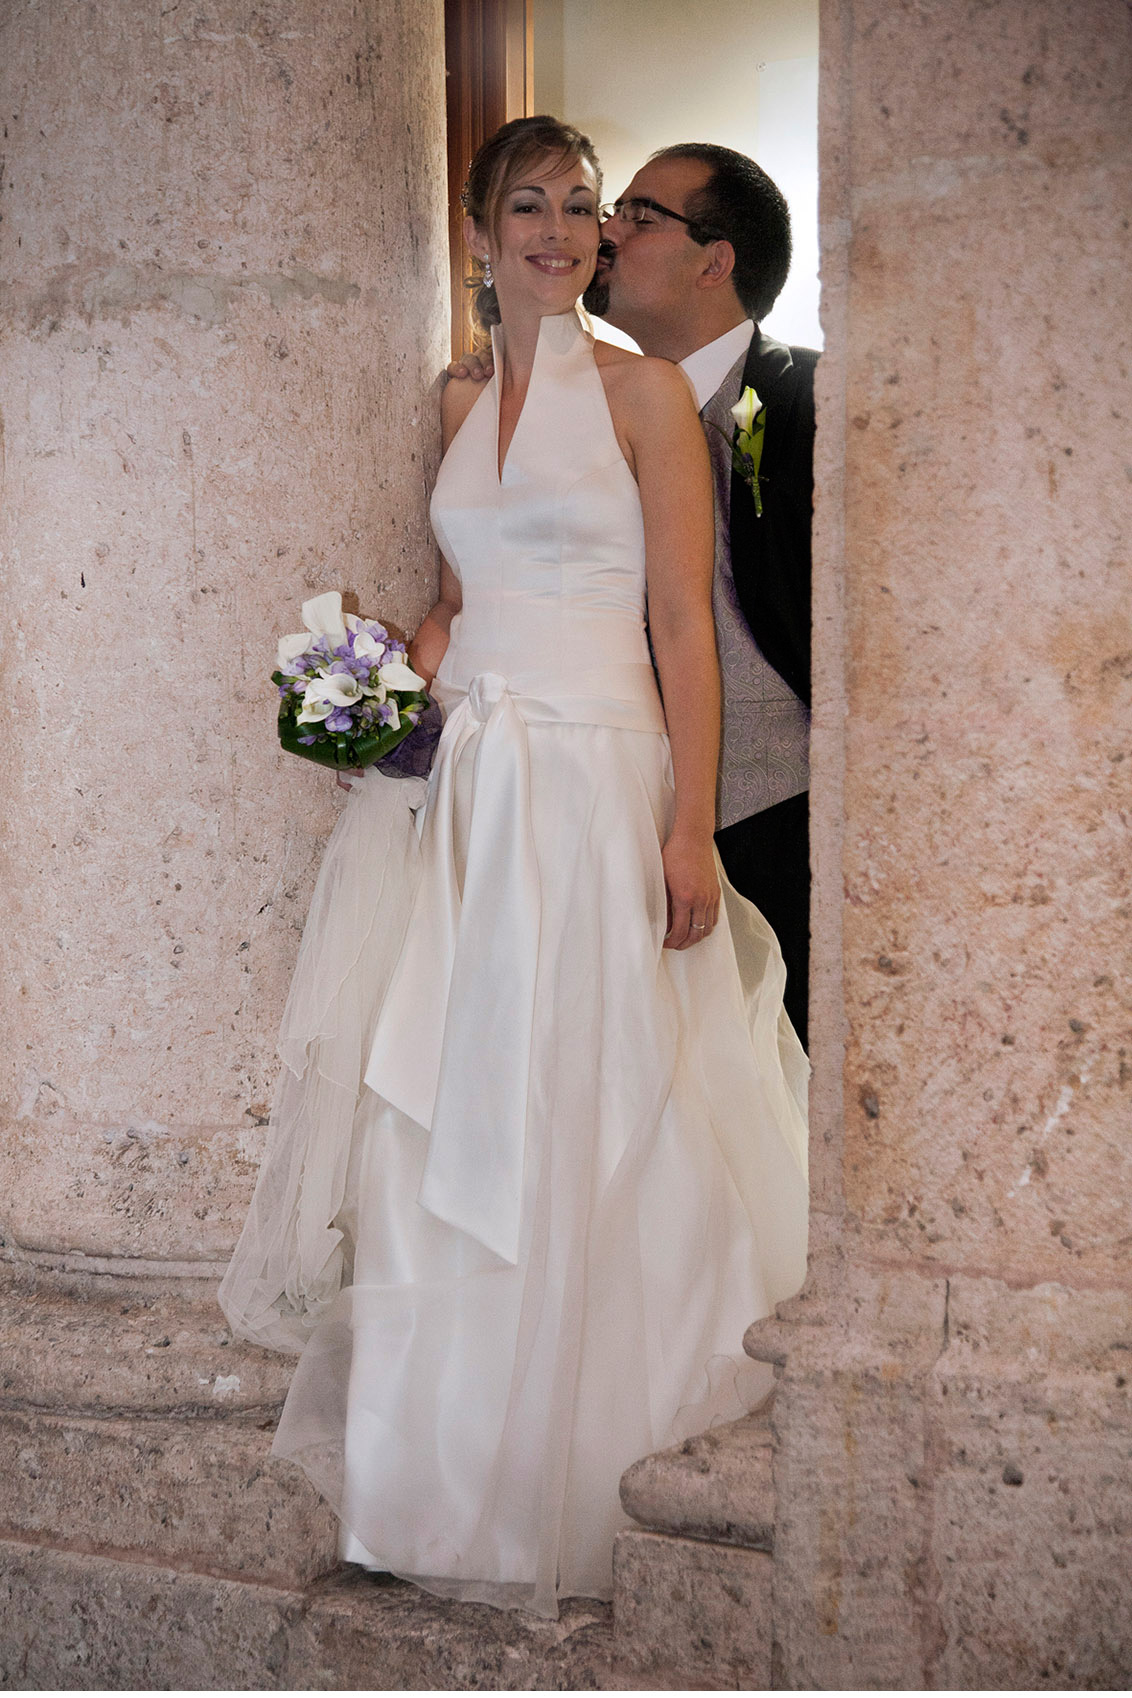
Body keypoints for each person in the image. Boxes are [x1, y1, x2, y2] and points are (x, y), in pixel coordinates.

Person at [220, 116, 808, 1620]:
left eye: (582, 206)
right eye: (528, 204)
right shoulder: (457, 396)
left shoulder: (645, 397)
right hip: (471, 785)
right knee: (450, 1100)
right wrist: (376, 691)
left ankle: (595, 1468)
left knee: (587, 1091)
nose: (558, 228)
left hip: (594, 776)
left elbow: (682, 619)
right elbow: (457, 593)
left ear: (601, 236)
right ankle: (440, 1478)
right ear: (479, 234)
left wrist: (686, 825)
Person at [453, 143, 816, 1047]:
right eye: (598, 211)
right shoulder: (524, 397)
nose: (604, 233)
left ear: (716, 258)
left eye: (632, 215)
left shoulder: (810, 401)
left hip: (775, 808)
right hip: (587, 795)